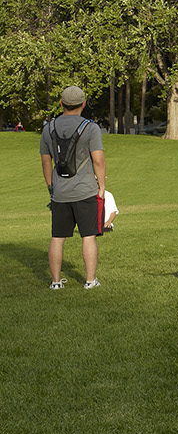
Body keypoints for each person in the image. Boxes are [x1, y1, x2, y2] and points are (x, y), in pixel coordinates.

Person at [41, 85, 107, 289]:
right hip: (85, 191)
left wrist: (52, 188)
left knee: (57, 238)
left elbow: (46, 161)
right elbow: (98, 160)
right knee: (88, 236)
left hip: (60, 193)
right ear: (84, 104)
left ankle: (56, 282)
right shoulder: (91, 128)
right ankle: (89, 281)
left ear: (61, 103)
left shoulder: (48, 128)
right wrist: (102, 187)